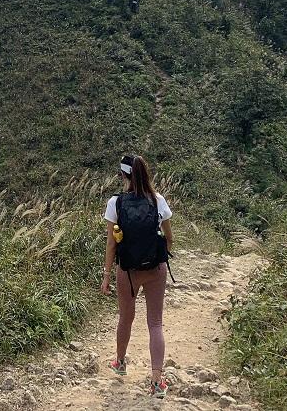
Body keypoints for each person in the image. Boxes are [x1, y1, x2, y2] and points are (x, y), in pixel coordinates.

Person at [101, 153, 173, 398]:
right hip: (155, 269)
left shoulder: (116, 203)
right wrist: (158, 257)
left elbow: (111, 244)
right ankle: (156, 382)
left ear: (123, 175)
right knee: (155, 323)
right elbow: (169, 238)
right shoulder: (158, 200)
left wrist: (106, 275)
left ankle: (120, 363)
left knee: (125, 318)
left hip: (128, 271)